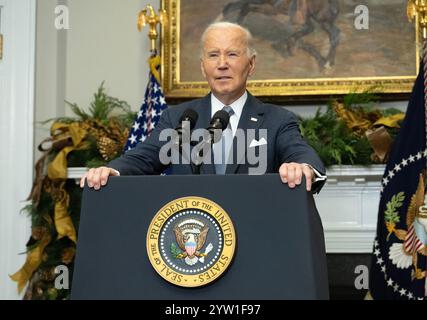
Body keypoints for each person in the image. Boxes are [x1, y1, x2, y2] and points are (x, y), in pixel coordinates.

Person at [80, 22, 326, 192]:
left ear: (251, 65)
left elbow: (302, 154)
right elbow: (143, 158)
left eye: (231, 54)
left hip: (253, 241)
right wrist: (110, 170)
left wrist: (302, 167)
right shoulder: (178, 118)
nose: (221, 64)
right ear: (202, 67)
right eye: (213, 55)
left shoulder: (276, 120)